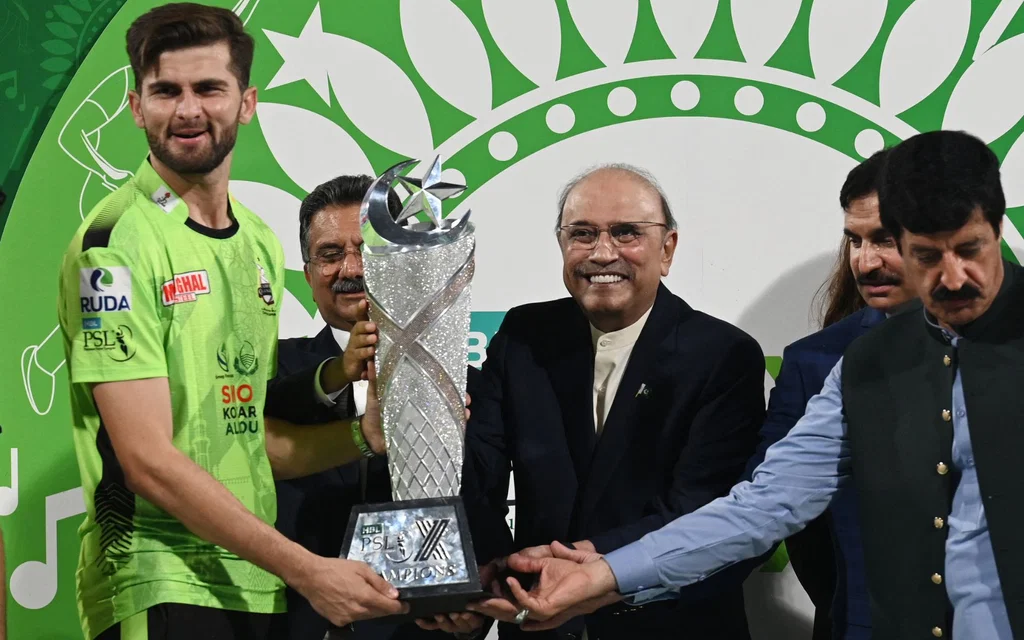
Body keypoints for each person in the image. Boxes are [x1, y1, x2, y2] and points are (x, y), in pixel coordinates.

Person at [503, 130, 1024, 640]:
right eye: (926, 255)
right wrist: (606, 575)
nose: (952, 277)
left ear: (998, 230)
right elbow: (767, 504)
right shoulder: (865, 363)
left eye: (968, 249)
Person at [56, 5, 407, 638]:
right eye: (166, 91)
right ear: (136, 107)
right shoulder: (112, 247)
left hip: (253, 584)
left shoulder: (260, 244)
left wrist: (362, 435)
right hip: (156, 576)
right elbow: (147, 461)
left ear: (246, 104)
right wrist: (307, 569)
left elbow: (248, 439)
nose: (188, 110)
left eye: (208, 88)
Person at [433, 164, 766, 639]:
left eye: (627, 232)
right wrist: (482, 574)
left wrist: (575, 567)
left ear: (667, 249)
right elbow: (478, 475)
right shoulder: (524, 337)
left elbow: (701, 512)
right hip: (535, 623)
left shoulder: (722, 355)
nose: (603, 252)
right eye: (583, 234)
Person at [741, 148, 913, 640]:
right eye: (854, 241)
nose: (865, 261)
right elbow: (767, 506)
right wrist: (618, 572)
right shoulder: (817, 361)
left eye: (885, 239)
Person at [263, 175, 406, 640]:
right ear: (308, 276)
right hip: (289, 625)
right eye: (329, 254)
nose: (351, 268)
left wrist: (471, 612)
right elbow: (275, 405)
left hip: (413, 625)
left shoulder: (456, 381)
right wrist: (339, 372)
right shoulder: (270, 369)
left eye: (368, 250)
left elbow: (482, 504)